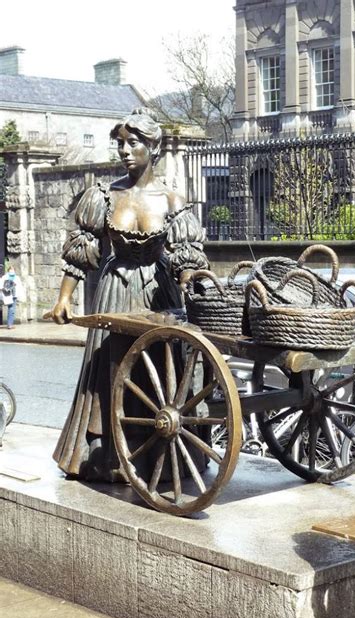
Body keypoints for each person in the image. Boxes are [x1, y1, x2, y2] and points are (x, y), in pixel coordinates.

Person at [48, 108, 209, 481]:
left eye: (133, 142)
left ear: (153, 147)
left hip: (159, 296)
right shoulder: (103, 196)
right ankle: (112, 458)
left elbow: (186, 255)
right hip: (115, 293)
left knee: (160, 376)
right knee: (113, 371)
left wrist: (189, 279)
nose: (124, 150)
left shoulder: (172, 200)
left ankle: (161, 455)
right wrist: (64, 297)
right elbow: (82, 248)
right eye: (120, 143)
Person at [1, 265, 25, 329]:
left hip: (14, 295)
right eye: (10, 269)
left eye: (13, 269)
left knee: (12, 309)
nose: (11, 270)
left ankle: (10, 324)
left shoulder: (17, 277)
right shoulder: (5, 277)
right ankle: (9, 324)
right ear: (8, 270)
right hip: (8, 295)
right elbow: (1, 285)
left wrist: (20, 295)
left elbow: (20, 287)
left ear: (14, 270)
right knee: (11, 309)